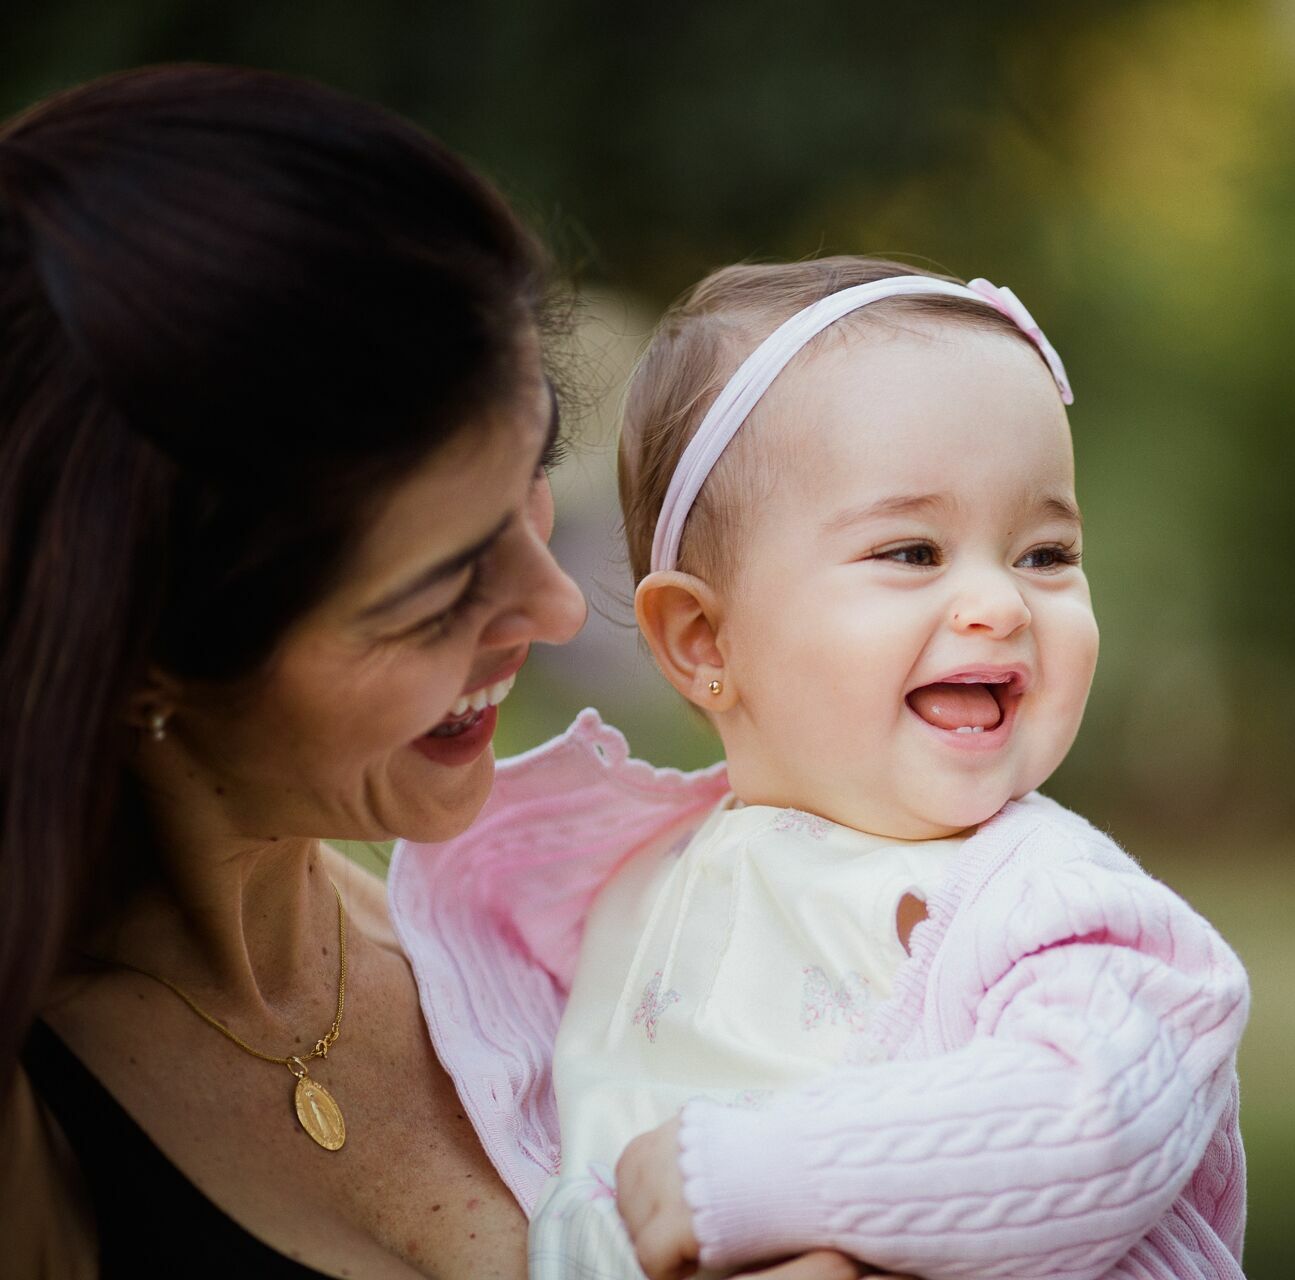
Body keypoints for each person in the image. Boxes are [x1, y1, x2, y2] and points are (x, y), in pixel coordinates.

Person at [0, 66, 882, 1280]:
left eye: (536, 473)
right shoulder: (36, 1148)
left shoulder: (559, 927)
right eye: (438, 591)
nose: (559, 602)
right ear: (148, 653)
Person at [392, 256, 1251, 1279]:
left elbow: (1104, 1119)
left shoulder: (1047, 899)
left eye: (1046, 552)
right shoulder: (634, 889)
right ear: (706, 641)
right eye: (913, 552)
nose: (1003, 603)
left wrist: (754, 1174)